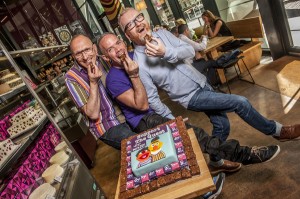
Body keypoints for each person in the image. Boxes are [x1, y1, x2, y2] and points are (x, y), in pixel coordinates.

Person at [98, 32, 281, 173]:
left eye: (118, 43)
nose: (118, 49)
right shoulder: (113, 79)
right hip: (144, 119)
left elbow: (168, 69)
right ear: (106, 58)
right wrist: (169, 117)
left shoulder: (137, 55)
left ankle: (216, 162)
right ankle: (246, 154)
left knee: (217, 125)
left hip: (171, 101)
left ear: (124, 41)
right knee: (194, 135)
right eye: (110, 49)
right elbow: (143, 106)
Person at [118, 8, 300, 143]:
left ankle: (216, 159)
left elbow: (190, 51)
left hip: (202, 83)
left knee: (222, 125)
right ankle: (277, 131)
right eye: (131, 24)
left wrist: (166, 51)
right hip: (191, 97)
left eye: (139, 17)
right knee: (240, 102)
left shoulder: (163, 34)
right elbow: (152, 98)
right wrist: (173, 122)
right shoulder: (139, 63)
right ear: (127, 35)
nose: (138, 23)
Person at [65, 34, 139, 150]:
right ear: (73, 56)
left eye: (87, 50)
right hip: (106, 125)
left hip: (127, 112)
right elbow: (93, 114)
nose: (85, 57)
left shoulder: (105, 59)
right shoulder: (71, 78)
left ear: (94, 48)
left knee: (151, 140)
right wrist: (93, 82)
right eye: (78, 54)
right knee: (138, 146)